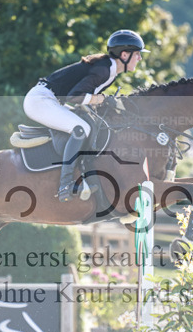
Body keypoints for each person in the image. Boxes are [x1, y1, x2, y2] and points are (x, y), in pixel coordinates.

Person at [23, 29, 148, 202]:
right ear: (125, 55)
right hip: (41, 100)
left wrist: (103, 102)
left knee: (89, 125)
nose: (140, 58)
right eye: (137, 54)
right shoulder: (105, 70)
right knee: (82, 128)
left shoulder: (109, 70)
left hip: (50, 100)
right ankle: (66, 185)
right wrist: (102, 99)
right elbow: (74, 97)